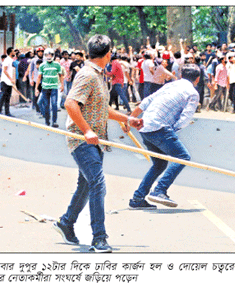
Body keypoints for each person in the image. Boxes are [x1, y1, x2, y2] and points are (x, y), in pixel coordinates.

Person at [52, 34, 143, 252]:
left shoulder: (98, 75)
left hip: (95, 140)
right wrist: (87, 130)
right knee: (97, 184)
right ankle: (99, 238)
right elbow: (70, 103)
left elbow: (101, 109)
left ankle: (66, 222)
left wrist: (127, 119)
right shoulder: (87, 75)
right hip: (81, 140)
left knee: (85, 185)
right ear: (108, 53)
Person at [127, 64, 200, 209]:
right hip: (159, 128)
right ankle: (159, 190)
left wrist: (130, 119)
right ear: (197, 79)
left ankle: (137, 198)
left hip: (145, 127)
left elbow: (147, 101)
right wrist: (172, 130)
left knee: (159, 164)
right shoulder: (193, 93)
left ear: (181, 75)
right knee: (183, 157)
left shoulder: (170, 85)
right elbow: (185, 118)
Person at [35, 48, 64, 127]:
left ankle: (54, 121)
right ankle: (47, 120)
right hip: (45, 88)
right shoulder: (42, 65)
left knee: (54, 105)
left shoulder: (57, 65)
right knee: (46, 105)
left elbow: (61, 75)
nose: (49, 56)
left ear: (53, 55)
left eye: (50, 55)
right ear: (45, 56)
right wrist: (36, 88)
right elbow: (39, 77)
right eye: (47, 55)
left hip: (54, 87)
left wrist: (62, 85)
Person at [0, 47, 16, 116]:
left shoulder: (11, 60)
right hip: (5, 81)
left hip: (9, 82)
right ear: (10, 53)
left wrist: (11, 79)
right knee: (3, 96)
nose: (15, 53)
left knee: (7, 97)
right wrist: (10, 79)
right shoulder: (7, 60)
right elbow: (4, 70)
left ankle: (7, 112)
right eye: (13, 51)